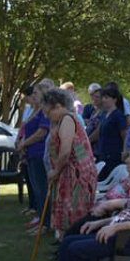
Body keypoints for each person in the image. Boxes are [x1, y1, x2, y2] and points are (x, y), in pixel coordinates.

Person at [41, 88, 98, 238]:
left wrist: (55, 171)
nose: (47, 117)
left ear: (58, 106)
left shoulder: (67, 119)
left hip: (76, 177)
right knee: (66, 217)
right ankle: (65, 249)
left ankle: (72, 249)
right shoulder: (61, 120)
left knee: (73, 216)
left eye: (48, 112)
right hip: (67, 174)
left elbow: (65, 152)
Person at [16, 83, 51, 230]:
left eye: (36, 93)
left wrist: (24, 144)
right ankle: (40, 217)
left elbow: (42, 132)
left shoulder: (45, 111)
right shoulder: (34, 111)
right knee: (36, 188)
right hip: (30, 153)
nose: (33, 96)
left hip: (39, 152)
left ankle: (46, 222)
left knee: (42, 188)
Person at [89, 86, 127, 180]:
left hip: (113, 155)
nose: (104, 100)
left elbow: (124, 135)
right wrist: (86, 141)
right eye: (103, 97)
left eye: (106, 98)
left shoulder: (118, 115)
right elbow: (98, 132)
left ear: (114, 99)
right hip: (102, 153)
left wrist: (124, 151)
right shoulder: (104, 114)